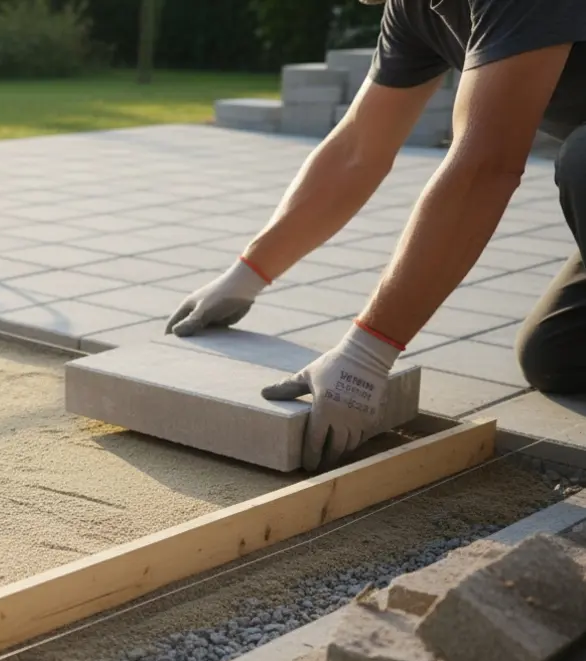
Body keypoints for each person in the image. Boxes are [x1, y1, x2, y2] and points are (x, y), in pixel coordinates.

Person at [164, 0, 586, 472]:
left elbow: (485, 166)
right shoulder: (411, 10)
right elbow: (359, 149)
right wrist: (248, 272)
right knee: (555, 356)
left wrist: (367, 355)